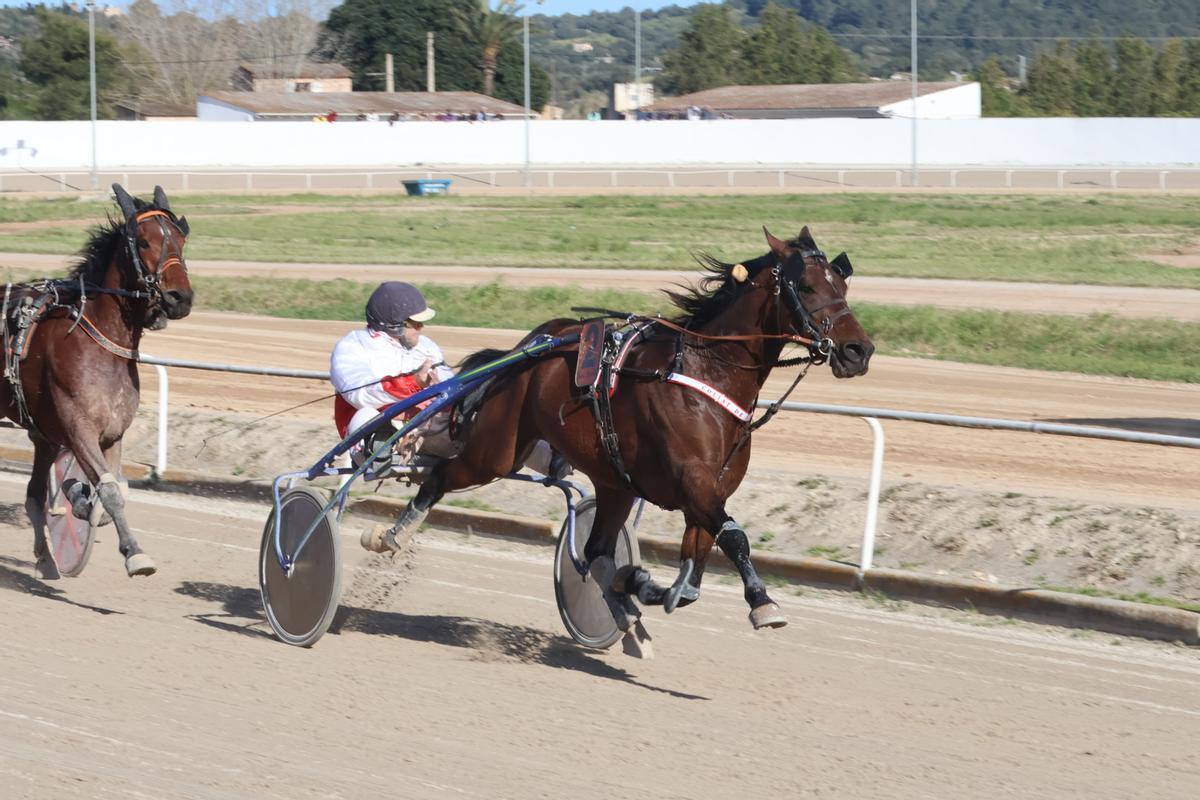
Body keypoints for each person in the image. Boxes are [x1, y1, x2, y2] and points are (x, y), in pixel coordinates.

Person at [330, 281, 569, 554]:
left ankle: (554, 460)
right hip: (384, 428)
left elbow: (450, 390)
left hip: (432, 429)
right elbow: (359, 394)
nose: (421, 329)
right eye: (415, 323)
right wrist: (414, 384)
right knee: (365, 416)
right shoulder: (353, 347)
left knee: (495, 428)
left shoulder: (426, 348)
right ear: (393, 324)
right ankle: (378, 452)